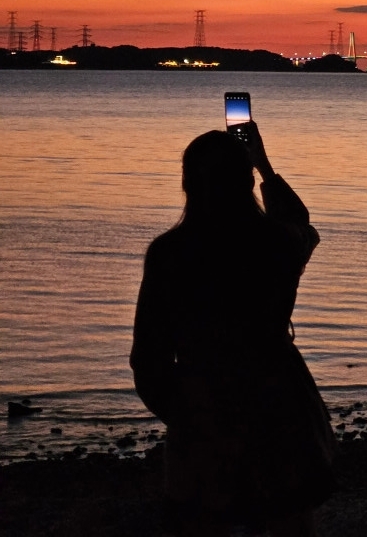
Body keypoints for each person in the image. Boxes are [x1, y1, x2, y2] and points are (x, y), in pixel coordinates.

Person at [131, 123, 335, 537]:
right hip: (277, 396)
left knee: (204, 518)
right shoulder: (276, 244)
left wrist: (184, 411)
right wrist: (263, 163)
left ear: (187, 183)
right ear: (246, 182)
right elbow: (300, 221)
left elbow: (148, 357)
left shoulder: (170, 254)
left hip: (202, 397)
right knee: (287, 518)